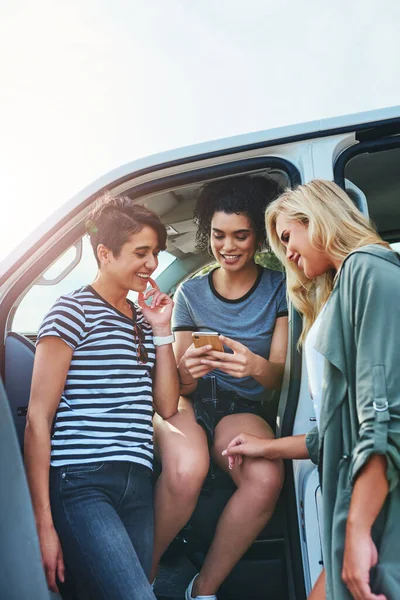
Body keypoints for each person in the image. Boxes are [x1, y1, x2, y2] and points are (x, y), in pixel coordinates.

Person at [223, 179, 400, 600]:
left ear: (317, 219)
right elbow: (340, 433)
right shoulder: (341, 287)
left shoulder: (366, 268)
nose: (287, 253)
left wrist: (358, 531)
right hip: (356, 502)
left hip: (378, 506)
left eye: (288, 236)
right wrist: (265, 449)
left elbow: (383, 415)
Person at [24, 194, 180, 600]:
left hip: (137, 479)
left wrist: (162, 329)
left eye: (156, 254)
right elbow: (39, 418)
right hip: (83, 481)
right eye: (141, 253)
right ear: (105, 253)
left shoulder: (141, 320)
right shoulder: (70, 311)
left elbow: (166, 406)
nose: (152, 264)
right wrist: (42, 524)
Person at [152, 175, 288, 600]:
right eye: (218, 235)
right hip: (193, 403)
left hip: (242, 406)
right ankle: (143, 575)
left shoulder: (279, 288)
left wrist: (253, 364)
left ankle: (202, 589)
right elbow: (177, 389)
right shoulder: (190, 293)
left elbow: (281, 376)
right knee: (185, 468)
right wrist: (187, 367)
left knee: (265, 478)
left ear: (258, 236)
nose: (228, 247)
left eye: (240, 235)